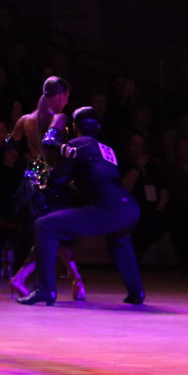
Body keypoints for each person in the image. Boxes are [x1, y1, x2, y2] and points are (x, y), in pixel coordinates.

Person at [18, 106, 145, 306]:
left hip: (107, 209)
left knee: (44, 225)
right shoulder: (107, 149)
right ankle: (137, 292)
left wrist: (46, 176)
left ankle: (44, 289)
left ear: (74, 126)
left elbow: (57, 180)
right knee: (119, 240)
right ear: (98, 127)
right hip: (129, 208)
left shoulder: (77, 144)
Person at [8, 76, 86, 301]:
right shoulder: (60, 117)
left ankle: (75, 279)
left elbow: (10, 143)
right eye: (67, 96)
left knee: (53, 234)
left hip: (32, 179)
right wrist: (66, 150)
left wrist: (23, 154)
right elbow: (50, 144)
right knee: (55, 233)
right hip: (49, 181)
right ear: (62, 95)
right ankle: (21, 278)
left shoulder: (26, 119)